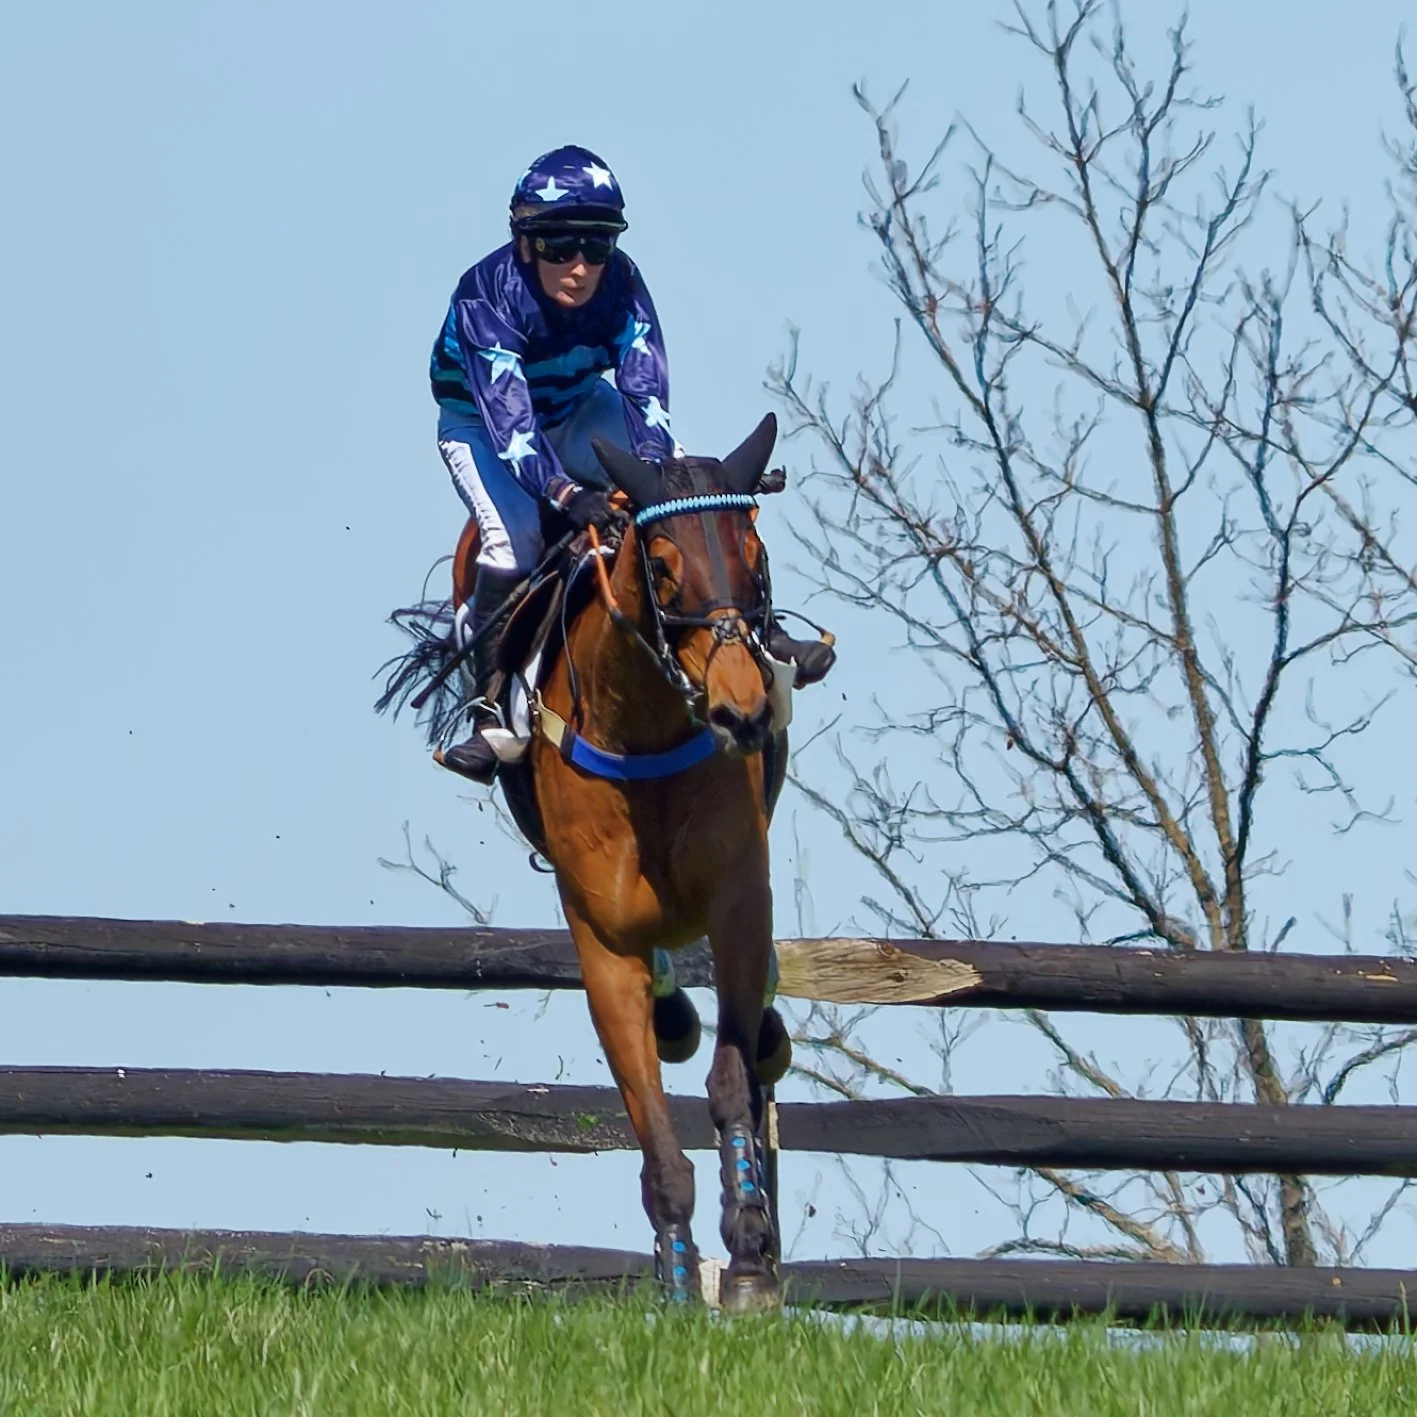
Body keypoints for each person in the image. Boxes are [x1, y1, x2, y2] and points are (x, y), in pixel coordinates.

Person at [429, 145, 674, 782]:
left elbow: (646, 390)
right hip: (481, 426)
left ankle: (752, 641)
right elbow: (512, 430)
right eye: (559, 245)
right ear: (524, 241)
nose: (580, 266)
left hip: (577, 405)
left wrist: (655, 471)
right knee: (516, 542)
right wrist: (568, 496)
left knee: (674, 486)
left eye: (598, 246)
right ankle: (488, 708)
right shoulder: (486, 295)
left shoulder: (623, 283)